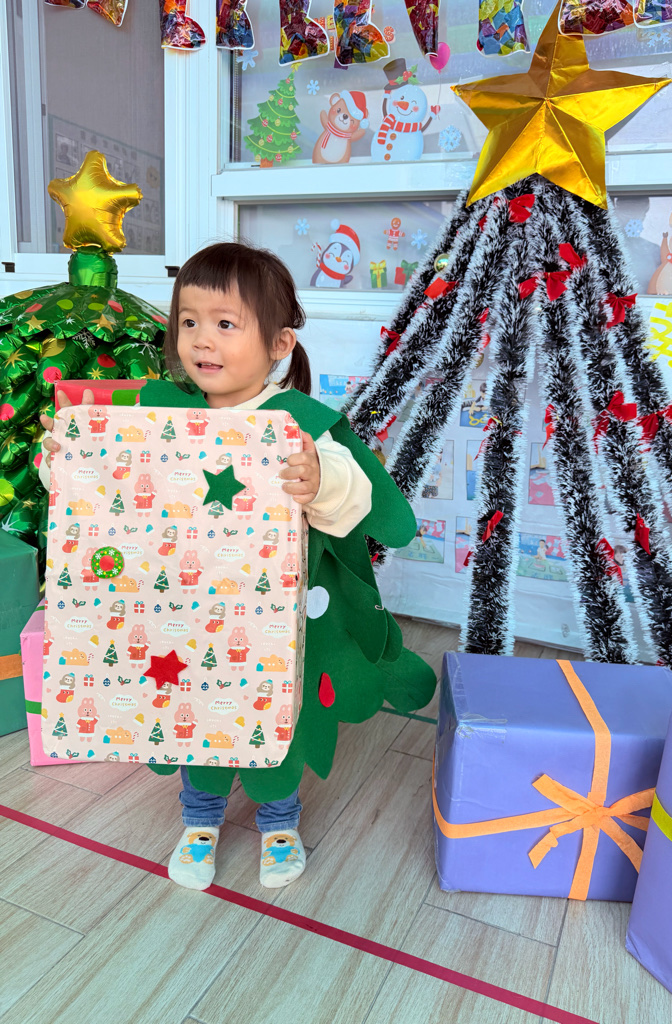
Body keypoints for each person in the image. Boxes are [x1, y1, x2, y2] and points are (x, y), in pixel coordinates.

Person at [41, 243, 434, 894]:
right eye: (189, 321)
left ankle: (280, 824)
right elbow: (97, 488)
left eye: (225, 323)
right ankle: (200, 821)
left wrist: (319, 480)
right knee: (191, 710)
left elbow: (355, 497)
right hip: (180, 613)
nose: (202, 338)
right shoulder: (154, 413)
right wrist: (67, 457)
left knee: (276, 719)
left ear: (278, 343)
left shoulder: (298, 423)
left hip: (272, 624)